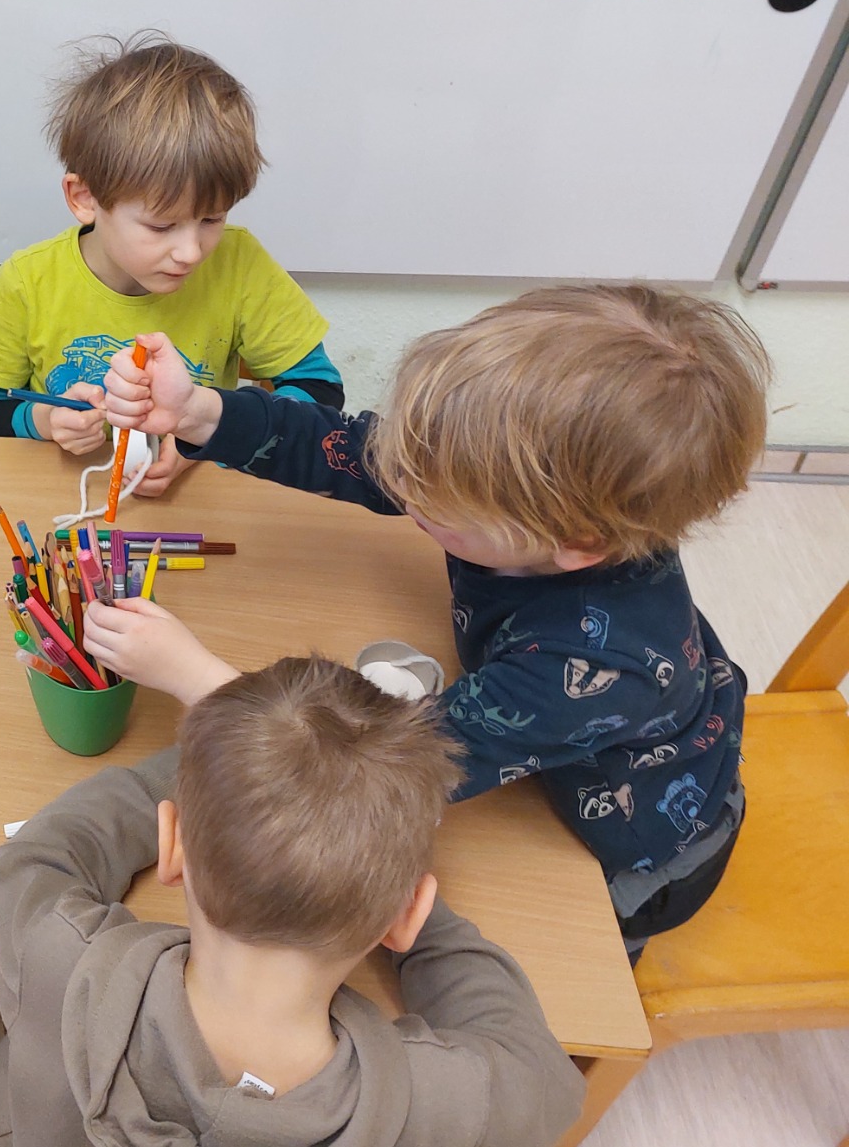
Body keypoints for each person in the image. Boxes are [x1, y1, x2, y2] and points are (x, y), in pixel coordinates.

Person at [98, 283, 771, 949]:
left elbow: (371, 774)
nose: (400, 476)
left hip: (645, 852)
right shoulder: (528, 495)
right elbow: (344, 448)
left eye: (432, 490)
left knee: (568, 960)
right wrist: (199, 412)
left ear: (577, 541)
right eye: (412, 456)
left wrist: (199, 680)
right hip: (596, 719)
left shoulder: (590, 665)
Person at [0, 657, 584, 1147]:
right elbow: (542, 1078)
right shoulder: (439, 1101)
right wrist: (380, 885)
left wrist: (220, 775)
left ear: (171, 845)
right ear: (408, 914)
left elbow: (39, 855)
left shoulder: (65, 959)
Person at [0, 32, 340, 497]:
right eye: (161, 226)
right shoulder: (27, 282)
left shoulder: (239, 264)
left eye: (212, 219)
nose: (191, 252)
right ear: (85, 198)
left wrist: (209, 438)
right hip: (61, 498)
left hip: (203, 506)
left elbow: (320, 391)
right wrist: (46, 420)